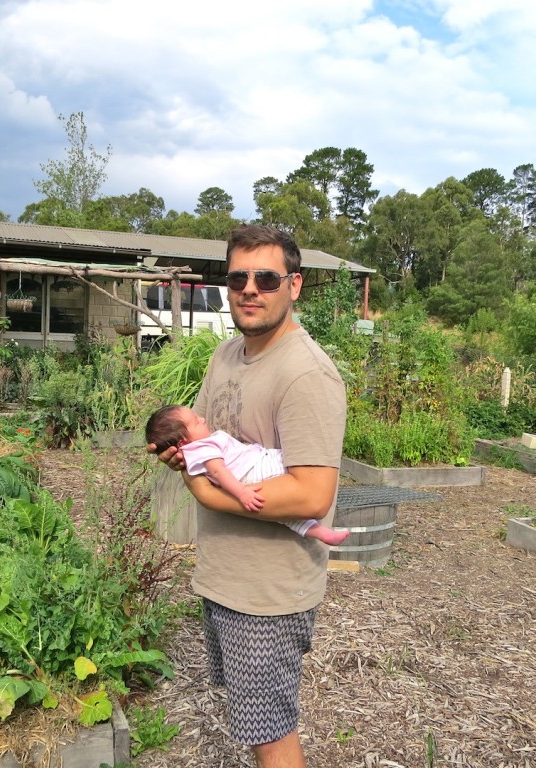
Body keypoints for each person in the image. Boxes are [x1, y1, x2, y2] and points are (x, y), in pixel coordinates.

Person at [149, 224, 346, 767]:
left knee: (272, 735)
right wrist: (181, 456)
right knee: (256, 726)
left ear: (295, 285)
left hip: (268, 593)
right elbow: (205, 442)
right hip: (226, 579)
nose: (250, 289)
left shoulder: (306, 374)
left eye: (266, 277)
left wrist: (206, 494)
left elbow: (311, 495)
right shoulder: (226, 356)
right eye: (238, 277)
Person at [145, 403, 349, 546]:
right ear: (183, 443)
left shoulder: (193, 449)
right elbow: (219, 471)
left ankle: (322, 533)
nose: (203, 418)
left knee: (287, 517)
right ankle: (322, 531)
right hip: (254, 470)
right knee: (286, 461)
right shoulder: (202, 447)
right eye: (196, 422)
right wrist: (242, 493)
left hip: (249, 473)